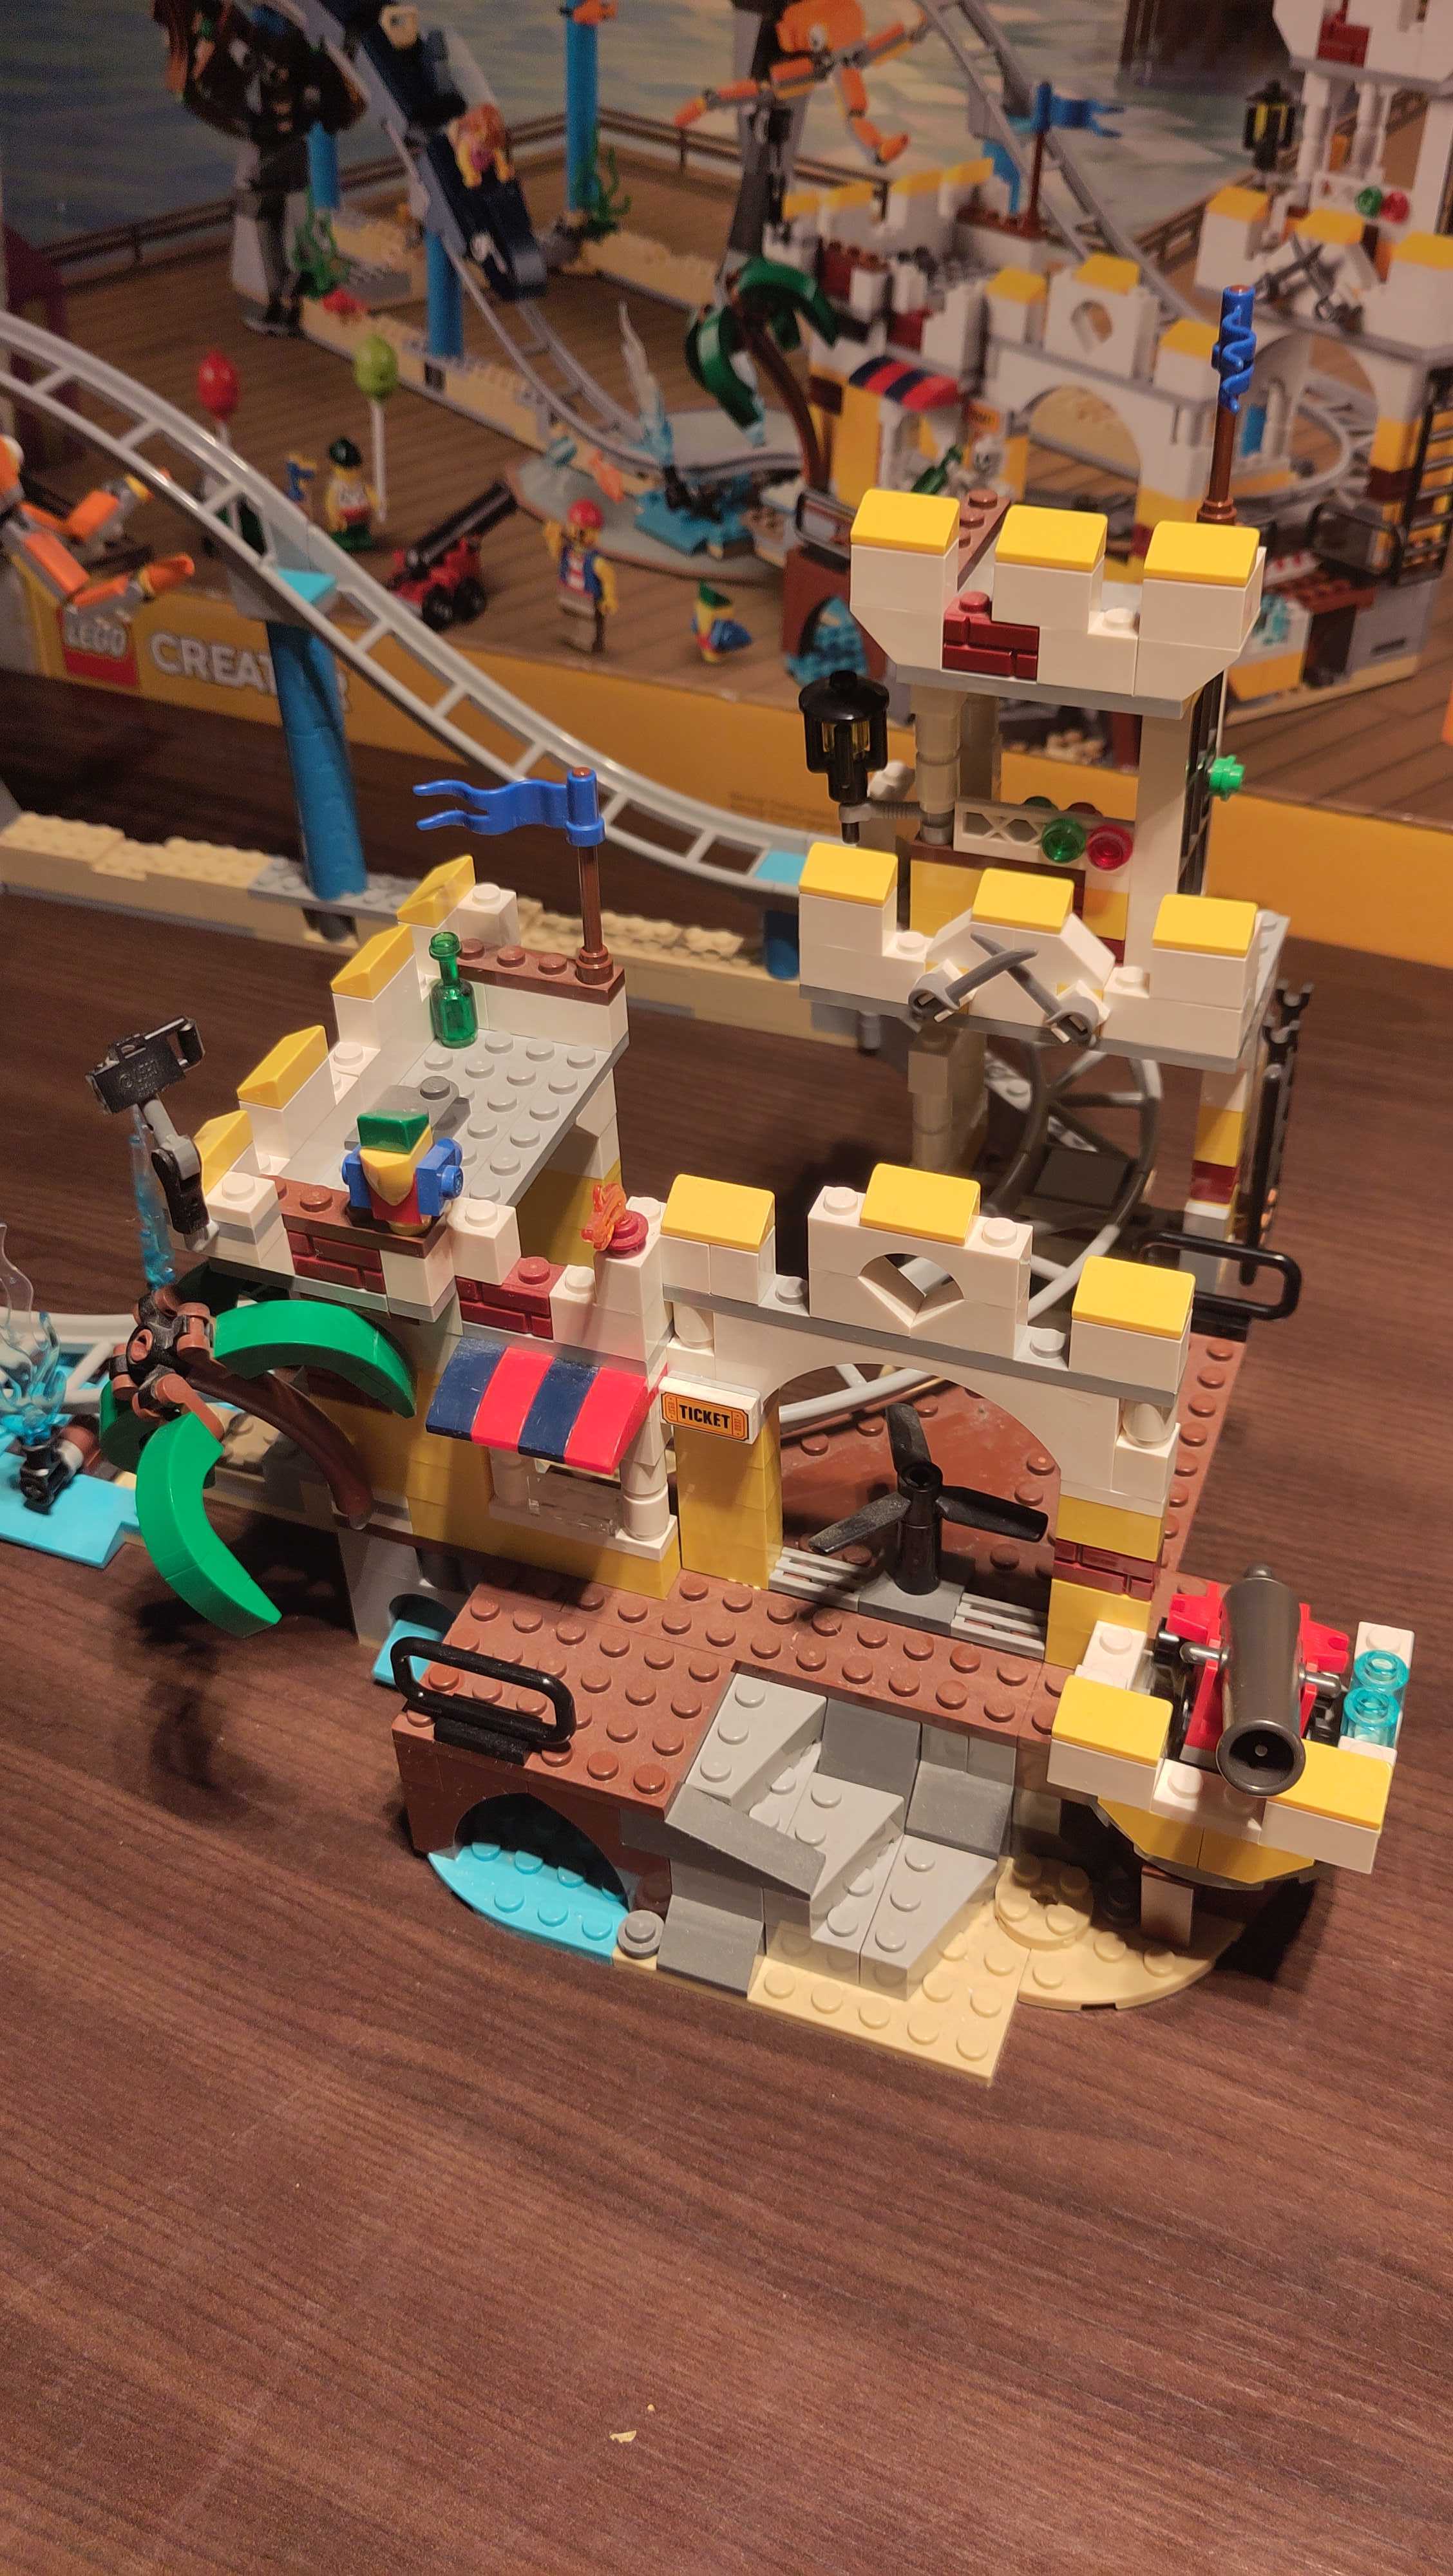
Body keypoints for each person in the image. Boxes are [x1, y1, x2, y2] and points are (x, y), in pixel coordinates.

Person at [543, 498, 618, 654]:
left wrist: (609, 598)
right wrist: (553, 539)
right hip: (569, 592)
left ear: (595, 533)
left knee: (589, 623)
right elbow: (557, 555)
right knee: (570, 616)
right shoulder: (567, 551)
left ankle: (590, 645)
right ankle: (571, 638)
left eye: (584, 530)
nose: (578, 533)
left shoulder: (595, 561)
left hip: (589, 597)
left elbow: (608, 577)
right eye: (575, 527)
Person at [323, 437, 377, 550]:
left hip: (361, 518)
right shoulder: (336, 487)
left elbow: (369, 493)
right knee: (344, 537)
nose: (352, 471)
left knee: (362, 535)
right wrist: (335, 517)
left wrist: (376, 501)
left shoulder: (360, 484)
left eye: (354, 467)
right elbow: (331, 504)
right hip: (344, 522)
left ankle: (361, 536)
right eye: (347, 468)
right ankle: (344, 538)